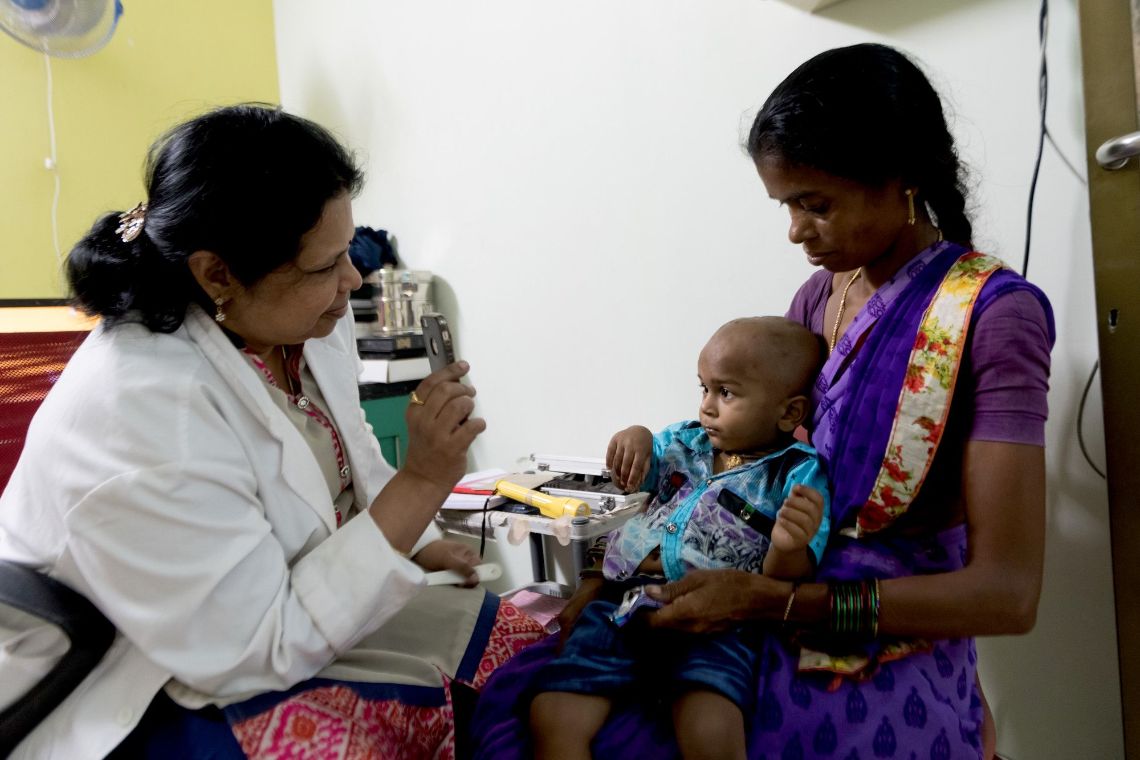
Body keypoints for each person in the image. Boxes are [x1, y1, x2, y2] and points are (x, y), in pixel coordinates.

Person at [471, 43, 1053, 760]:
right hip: (767, 583)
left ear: (898, 177)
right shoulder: (819, 297)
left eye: (816, 205)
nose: (795, 232)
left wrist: (774, 601)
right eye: (787, 205)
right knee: (549, 702)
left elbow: (1007, 596)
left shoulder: (993, 316)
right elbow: (761, 458)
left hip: (870, 617)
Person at [0, 104, 544, 759]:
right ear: (216, 273)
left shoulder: (299, 318)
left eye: (348, 253)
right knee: (358, 741)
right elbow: (258, 646)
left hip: (278, 603)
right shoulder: (146, 416)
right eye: (326, 266)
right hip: (153, 673)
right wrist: (425, 477)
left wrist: (422, 539)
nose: (352, 280)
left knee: (520, 648)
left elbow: (350, 451)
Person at [530, 317, 831, 760]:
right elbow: (641, 467)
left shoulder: (797, 473)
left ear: (789, 413)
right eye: (703, 388)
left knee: (711, 726)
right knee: (551, 713)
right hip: (623, 602)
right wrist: (634, 437)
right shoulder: (683, 440)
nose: (707, 406)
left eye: (726, 393)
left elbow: (787, 576)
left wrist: (788, 546)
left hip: (718, 618)